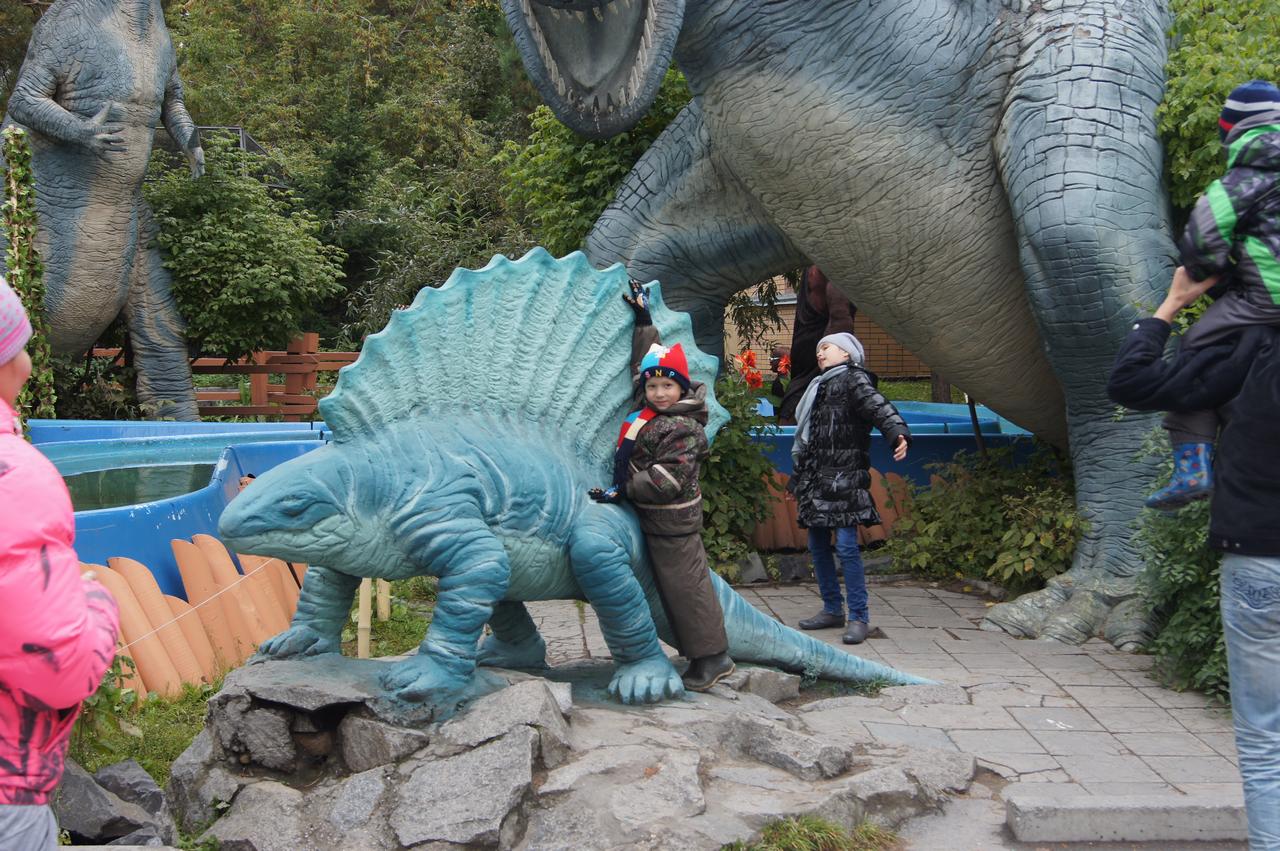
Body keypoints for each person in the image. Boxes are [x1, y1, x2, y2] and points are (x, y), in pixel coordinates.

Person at [1108, 271, 1280, 851]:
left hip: (1259, 556)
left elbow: (1131, 381)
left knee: (1265, 738)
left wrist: (1172, 304)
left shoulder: (1239, 341)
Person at [0, 277, 120, 850]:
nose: (28, 365)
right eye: (21, 346)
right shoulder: (16, 477)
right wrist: (97, 602)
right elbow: (60, 668)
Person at [588, 280, 734, 692]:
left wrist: (624, 488)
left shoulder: (682, 427)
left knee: (686, 589)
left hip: (672, 521)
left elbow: (666, 480)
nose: (658, 392)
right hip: (649, 515)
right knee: (667, 590)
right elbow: (643, 366)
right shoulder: (649, 410)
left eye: (667, 386)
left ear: (682, 388)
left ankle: (714, 657)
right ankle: (696, 653)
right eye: (653, 387)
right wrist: (644, 320)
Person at [1147, 79, 1280, 510]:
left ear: (1232, 131)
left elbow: (1201, 247)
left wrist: (1216, 277)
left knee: (1196, 354)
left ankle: (1191, 469)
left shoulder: (1235, 186)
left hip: (1264, 300)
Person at [789, 333, 910, 644]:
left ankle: (859, 617)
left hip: (845, 478)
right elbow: (812, 439)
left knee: (845, 547)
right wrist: (799, 476)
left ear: (847, 353)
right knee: (818, 546)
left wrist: (896, 432)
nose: (820, 353)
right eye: (818, 349)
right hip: (817, 480)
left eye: (826, 347)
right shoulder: (819, 386)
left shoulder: (854, 380)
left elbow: (877, 406)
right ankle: (832, 609)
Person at [777, 267, 857, 424]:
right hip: (805, 369)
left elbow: (841, 320)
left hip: (822, 374)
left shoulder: (833, 274)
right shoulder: (814, 270)